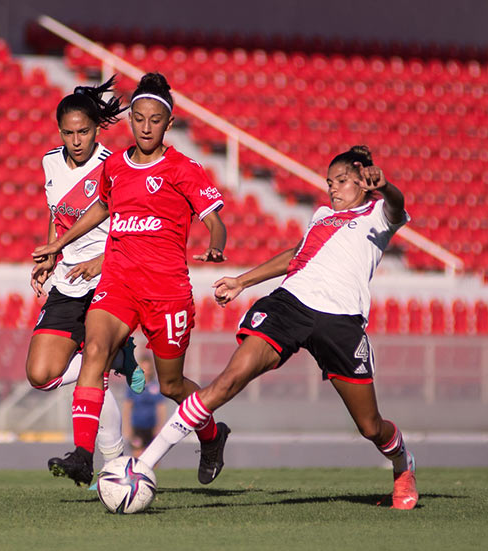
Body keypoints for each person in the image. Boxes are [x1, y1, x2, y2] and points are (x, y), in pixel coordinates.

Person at [136, 145, 419, 509]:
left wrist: (387, 186)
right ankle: (144, 465)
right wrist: (242, 281)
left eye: (343, 181)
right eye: (330, 182)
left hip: (341, 321)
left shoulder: (379, 213)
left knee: (370, 426)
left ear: (364, 183)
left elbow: (397, 203)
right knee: (227, 381)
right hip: (290, 305)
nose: (333, 189)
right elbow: (295, 256)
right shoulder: (320, 215)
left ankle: (402, 463)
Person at [33, 72, 231, 487]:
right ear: (131, 120)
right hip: (118, 283)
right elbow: (99, 210)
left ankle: (212, 435)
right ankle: (84, 456)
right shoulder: (116, 166)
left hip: (166, 291)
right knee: (96, 350)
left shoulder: (183, 169)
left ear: (168, 123)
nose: (145, 126)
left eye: (154, 120)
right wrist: (59, 244)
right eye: (138, 118)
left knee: (171, 385)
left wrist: (215, 243)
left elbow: (215, 220)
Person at [25, 76, 145, 469]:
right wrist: (50, 257)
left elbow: (130, 225)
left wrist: (102, 261)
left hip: (109, 280)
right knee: (40, 375)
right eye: (69, 132)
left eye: (84, 131)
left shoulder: (113, 166)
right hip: (68, 282)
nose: (76, 140)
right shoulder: (49, 162)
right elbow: (56, 214)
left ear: (97, 129)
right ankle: (118, 358)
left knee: (94, 373)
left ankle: (111, 466)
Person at [122, 356, 168, 457]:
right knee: (138, 454)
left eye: (148, 369)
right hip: (137, 427)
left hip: (152, 427)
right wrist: (127, 428)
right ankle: (136, 473)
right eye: (143, 369)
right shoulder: (133, 385)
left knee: (153, 456)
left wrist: (160, 426)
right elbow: (127, 408)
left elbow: (161, 407)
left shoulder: (156, 386)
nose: (146, 371)